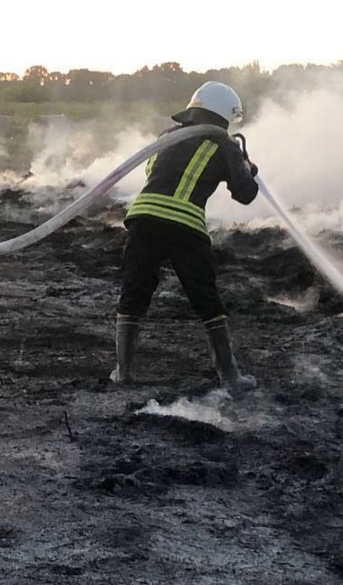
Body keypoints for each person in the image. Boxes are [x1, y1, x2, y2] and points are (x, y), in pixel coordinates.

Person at [110, 81, 259, 391]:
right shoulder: (225, 144)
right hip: (184, 225)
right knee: (206, 300)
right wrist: (246, 170)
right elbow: (245, 194)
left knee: (133, 294)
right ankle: (230, 376)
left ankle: (122, 372)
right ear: (224, 116)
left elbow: (153, 171)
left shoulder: (167, 138)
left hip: (143, 218)